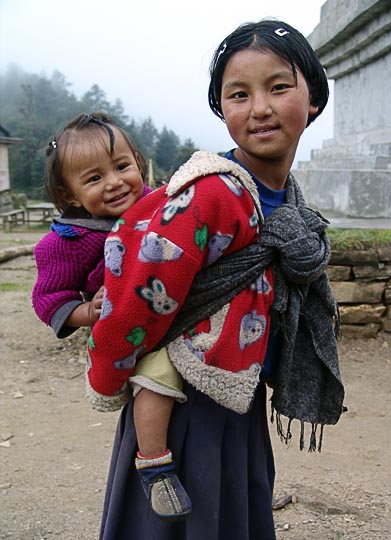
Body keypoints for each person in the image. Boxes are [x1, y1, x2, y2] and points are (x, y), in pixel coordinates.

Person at [86, 19, 345, 540]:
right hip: (181, 405)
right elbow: (142, 293)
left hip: (237, 395)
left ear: (313, 97)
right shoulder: (210, 195)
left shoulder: (286, 201)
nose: (260, 108)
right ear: (222, 109)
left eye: (278, 86)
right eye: (239, 95)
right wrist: (108, 376)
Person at [31, 113, 192, 521]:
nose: (115, 182)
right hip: (139, 334)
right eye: (93, 178)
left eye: (121, 166)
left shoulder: (163, 206)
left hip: (188, 314)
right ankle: (155, 465)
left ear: (138, 162)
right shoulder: (69, 241)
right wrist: (88, 310)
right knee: (156, 379)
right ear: (69, 195)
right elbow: (49, 298)